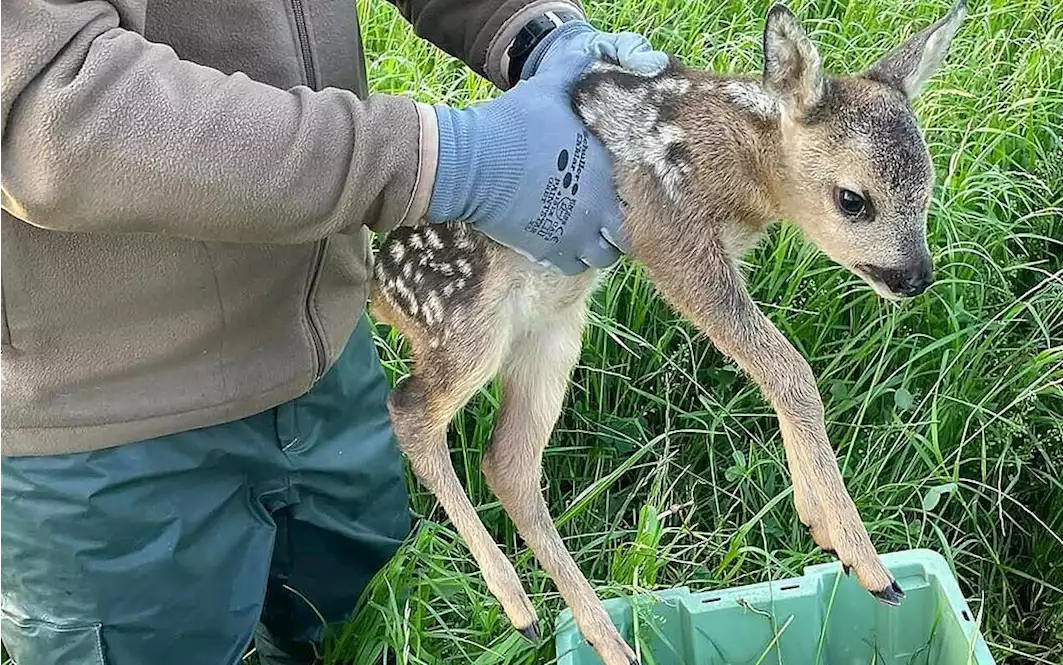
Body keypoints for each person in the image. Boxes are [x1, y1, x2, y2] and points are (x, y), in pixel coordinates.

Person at [0, 0, 666, 663]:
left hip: (325, 339)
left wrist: (532, 30)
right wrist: (436, 158)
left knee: (343, 616)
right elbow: (52, 113)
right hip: (101, 414)